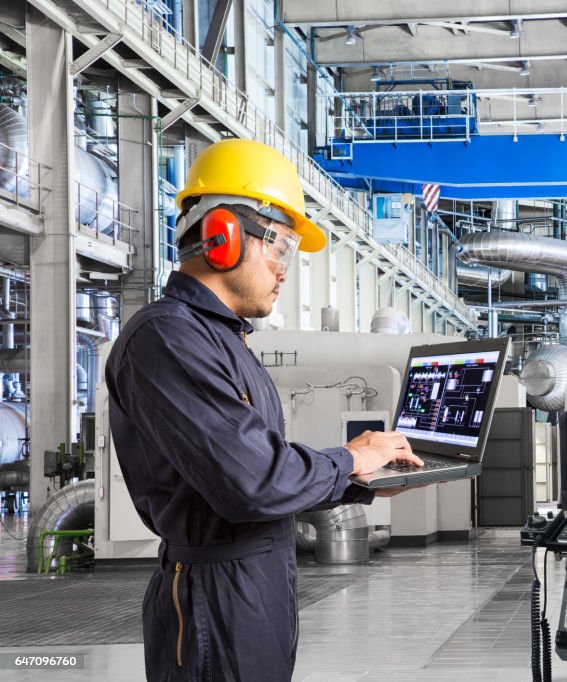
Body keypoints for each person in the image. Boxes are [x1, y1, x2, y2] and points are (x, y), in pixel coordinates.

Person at [105, 138, 423, 681]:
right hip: (213, 600)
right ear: (223, 237)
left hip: (253, 585)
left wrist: (360, 482)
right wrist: (348, 460)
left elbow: (258, 462)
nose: (284, 270)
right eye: (279, 248)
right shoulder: (167, 339)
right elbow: (253, 481)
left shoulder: (222, 338)